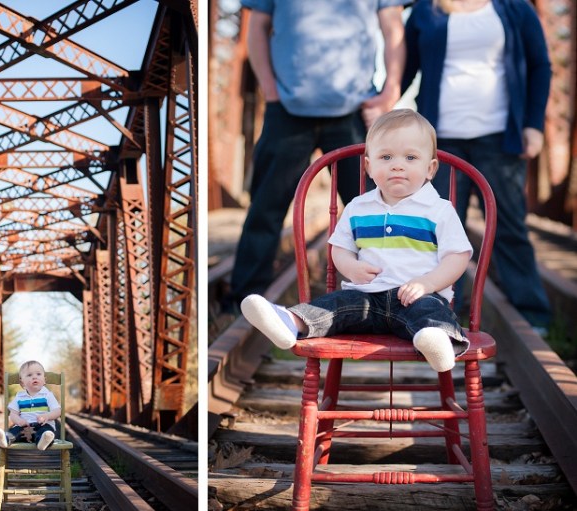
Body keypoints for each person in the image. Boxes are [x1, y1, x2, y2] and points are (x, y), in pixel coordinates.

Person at [241, 109, 471, 373]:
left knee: (431, 312)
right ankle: (290, 321)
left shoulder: (439, 210)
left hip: (417, 297)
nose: (397, 165)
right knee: (334, 305)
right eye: (386, 157)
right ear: (369, 166)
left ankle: (436, 339)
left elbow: (458, 256)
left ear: (430, 169)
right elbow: (340, 248)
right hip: (366, 298)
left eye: (410, 157)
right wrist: (350, 268)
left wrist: (427, 283)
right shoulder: (358, 207)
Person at [225, 0, 406, 311]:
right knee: (266, 208)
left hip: (353, 110)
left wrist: (391, 91)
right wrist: (270, 91)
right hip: (288, 111)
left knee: (376, 210)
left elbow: (393, 29)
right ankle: (243, 302)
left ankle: (396, 294)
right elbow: (256, 27)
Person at [402, 0, 552, 330]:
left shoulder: (515, 8)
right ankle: (436, 314)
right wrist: (384, 116)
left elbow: (540, 65)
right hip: (440, 143)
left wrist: (533, 124)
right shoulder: (427, 10)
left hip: (500, 138)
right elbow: (406, 67)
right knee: (437, 231)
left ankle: (533, 317)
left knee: (508, 226)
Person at [0, 360, 61, 451]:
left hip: (43, 425)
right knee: (15, 431)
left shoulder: (47, 394)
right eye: (29, 375)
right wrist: (19, 420)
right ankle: (5, 439)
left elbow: (57, 411)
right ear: (22, 382)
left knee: (45, 432)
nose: (34, 377)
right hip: (25, 427)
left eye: (38, 374)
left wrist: (47, 416)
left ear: (44, 380)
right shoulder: (19, 396)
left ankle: (43, 441)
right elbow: (13, 414)